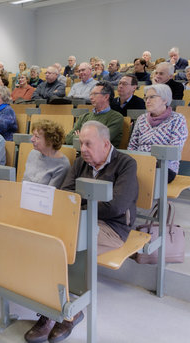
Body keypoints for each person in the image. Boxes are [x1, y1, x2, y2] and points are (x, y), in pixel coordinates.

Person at [25, 121, 138, 343]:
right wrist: (83, 205)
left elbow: (116, 206)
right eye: (80, 143)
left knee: (64, 248)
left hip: (112, 227)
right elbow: (66, 195)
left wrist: (80, 204)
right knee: (45, 240)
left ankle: (66, 313)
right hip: (78, 220)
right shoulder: (80, 163)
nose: (83, 148)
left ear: (105, 144)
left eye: (88, 144)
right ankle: (54, 308)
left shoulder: (126, 164)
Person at [128, 84, 188, 182]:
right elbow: (132, 146)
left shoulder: (177, 119)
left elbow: (173, 150)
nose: (147, 101)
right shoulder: (141, 119)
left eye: (152, 97)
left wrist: (149, 161)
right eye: (146, 97)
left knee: (132, 177)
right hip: (140, 163)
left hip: (164, 166)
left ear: (165, 100)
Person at [65, 81, 123, 147]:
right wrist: (89, 137)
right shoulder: (85, 116)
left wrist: (80, 136)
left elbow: (100, 141)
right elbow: (68, 139)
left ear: (106, 97)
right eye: (90, 94)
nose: (91, 97)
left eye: (95, 94)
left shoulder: (116, 118)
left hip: (102, 156)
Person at [23, 119, 70, 187]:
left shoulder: (62, 165)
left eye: (37, 137)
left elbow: (50, 193)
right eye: (33, 135)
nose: (32, 139)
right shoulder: (33, 153)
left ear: (49, 141)